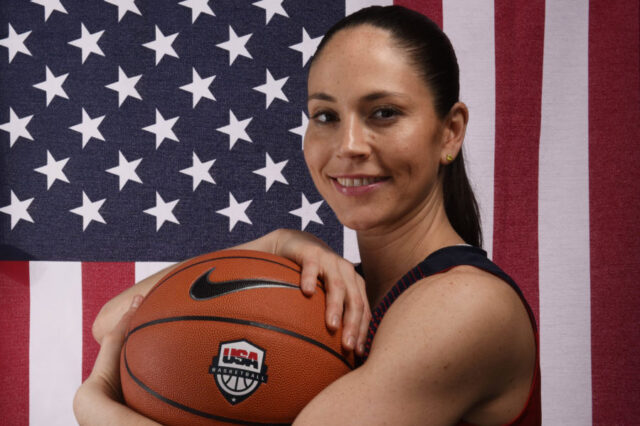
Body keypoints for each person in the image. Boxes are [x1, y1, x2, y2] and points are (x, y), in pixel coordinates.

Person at [73, 6, 540, 425]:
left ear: (450, 133)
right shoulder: (343, 293)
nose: (349, 145)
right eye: (325, 116)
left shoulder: (466, 304)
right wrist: (276, 243)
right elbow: (116, 322)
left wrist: (95, 409)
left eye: (383, 112)